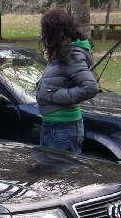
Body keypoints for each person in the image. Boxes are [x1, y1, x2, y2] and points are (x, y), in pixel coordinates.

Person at [35, 8, 99, 153]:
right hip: (53, 125)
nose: (42, 35)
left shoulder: (72, 56)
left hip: (63, 127)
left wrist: (53, 95)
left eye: (44, 31)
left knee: (62, 168)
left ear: (54, 32)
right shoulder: (62, 52)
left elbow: (90, 87)